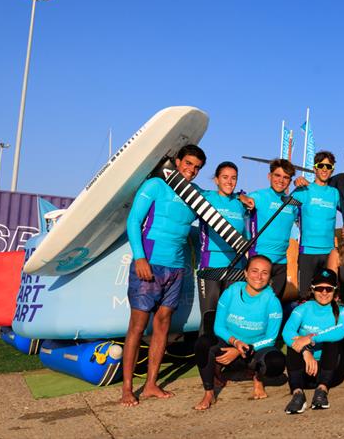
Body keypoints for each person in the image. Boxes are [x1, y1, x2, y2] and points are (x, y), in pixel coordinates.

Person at [120, 144, 205, 407]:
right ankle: (126, 389)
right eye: (188, 163)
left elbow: (218, 205)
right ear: (177, 161)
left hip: (176, 268)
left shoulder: (196, 195)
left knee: (163, 325)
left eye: (197, 168)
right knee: (137, 326)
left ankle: (151, 385)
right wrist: (139, 257)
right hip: (150, 264)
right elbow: (133, 221)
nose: (191, 171)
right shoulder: (155, 186)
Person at [193, 255, 285, 410]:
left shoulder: (272, 301)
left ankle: (258, 379)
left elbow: (271, 338)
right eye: (254, 271)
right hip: (230, 343)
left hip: (254, 349)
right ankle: (209, 393)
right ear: (246, 273)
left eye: (265, 273)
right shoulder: (231, 292)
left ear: (269, 277)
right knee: (203, 343)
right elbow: (219, 327)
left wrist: (240, 350)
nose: (259, 277)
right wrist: (235, 343)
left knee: (275, 362)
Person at [281, 268, 344, 414]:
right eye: (319, 288)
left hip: (331, 373)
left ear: (335, 290)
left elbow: (341, 330)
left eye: (328, 288)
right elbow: (286, 332)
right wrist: (305, 351)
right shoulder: (302, 309)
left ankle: (322, 392)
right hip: (305, 371)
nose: (324, 292)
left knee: (331, 341)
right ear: (312, 289)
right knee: (295, 342)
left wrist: (310, 338)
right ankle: (297, 394)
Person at [197, 161, 249, 335]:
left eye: (233, 178)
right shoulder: (207, 197)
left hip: (236, 267)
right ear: (216, 180)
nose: (229, 181)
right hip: (211, 264)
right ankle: (207, 361)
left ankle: (228, 361)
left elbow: (246, 237)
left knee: (231, 319)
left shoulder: (240, 204)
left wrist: (242, 195)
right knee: (209, 319)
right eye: (225, 177)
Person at [240, 159, 298, 299]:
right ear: (269, 176)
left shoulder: (292, 204)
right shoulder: (259, 196)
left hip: (281, 264)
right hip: (260, 261)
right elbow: (241, 197)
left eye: (286, 177)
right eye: (277, 175)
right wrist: (242, 197)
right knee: (255, 306)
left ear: (290, 181)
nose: (281, 180)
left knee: (273, 307)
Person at [291, 151, 341, 299]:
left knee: (328, 294)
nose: (325, 169)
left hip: (329, 252)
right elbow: (286, 211)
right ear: (314, 168)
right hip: (308, 251)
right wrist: (295, 183)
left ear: (332, 169)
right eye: (321, 165)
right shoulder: (304, 190)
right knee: (305, 295)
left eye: (328, 166)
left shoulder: (334, 193)